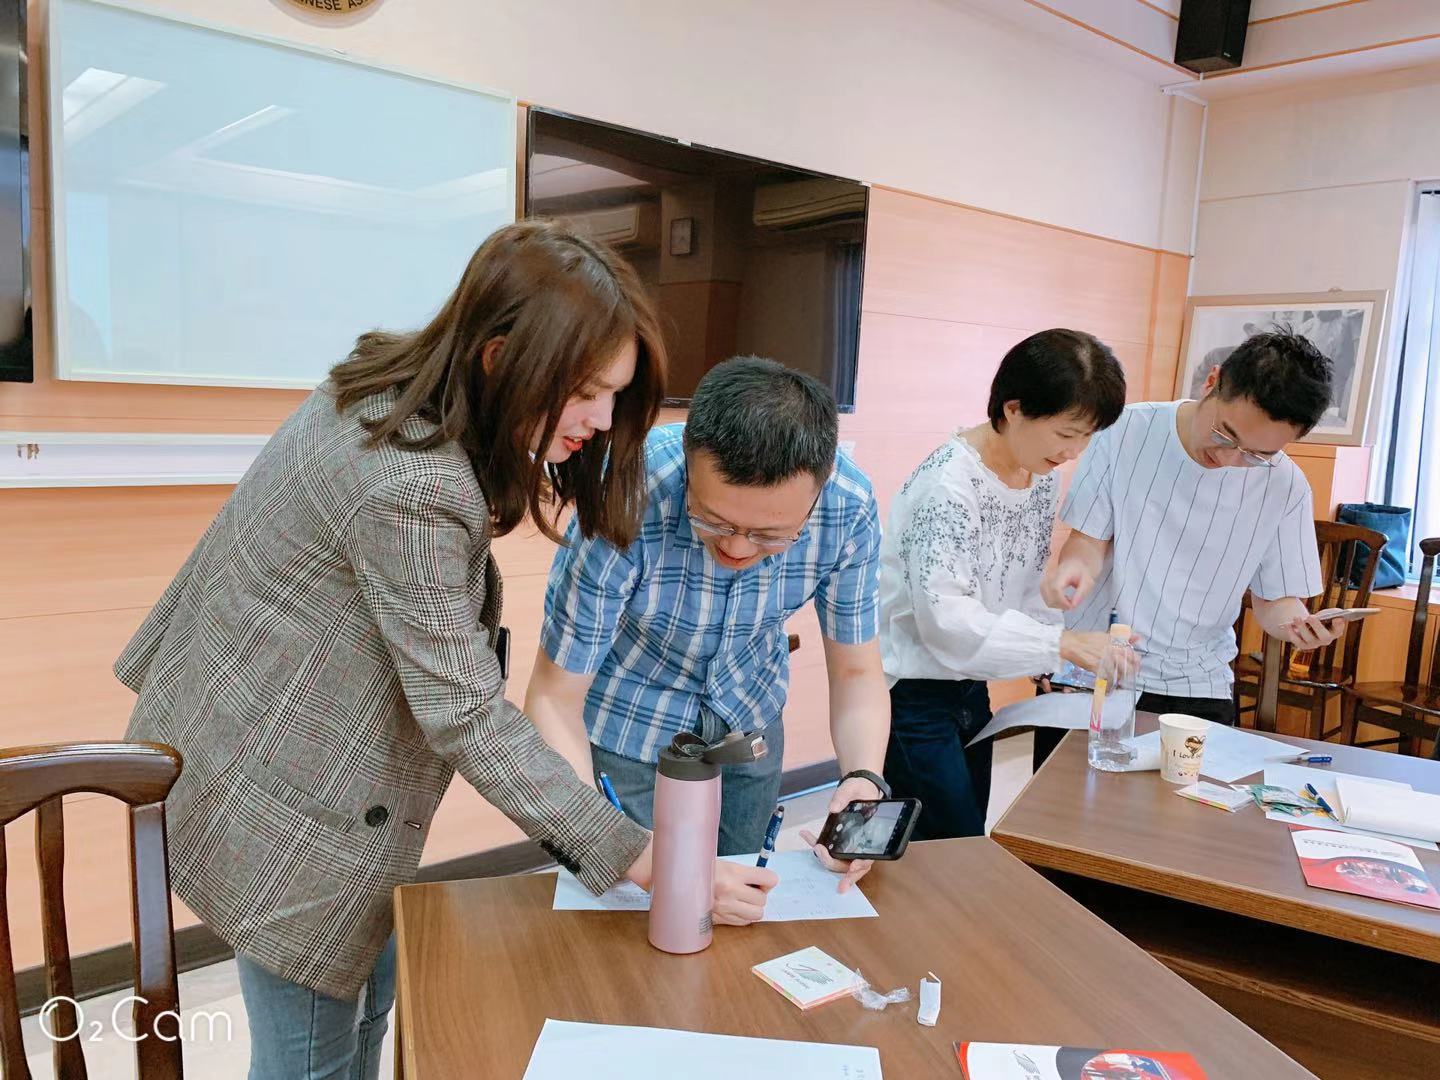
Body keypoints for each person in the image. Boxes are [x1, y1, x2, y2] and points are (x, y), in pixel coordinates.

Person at [114, 222, 776, 1080]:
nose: (603, 420)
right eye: (584, 391)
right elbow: (464, 713)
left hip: (255, 738)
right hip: (286, 800)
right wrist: (649, 860)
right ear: (500, 359)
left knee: (368, 1007)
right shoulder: (413, 482)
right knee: (312, 1059)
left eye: (614, 394)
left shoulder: (381, 391)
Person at [526, 356, 891, 888]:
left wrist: (863, 778)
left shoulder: (848, 509)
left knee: (741, 888)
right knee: (628, 905)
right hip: (628, 720)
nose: (738, 549)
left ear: (817, 492)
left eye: (770, 536)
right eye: (712, 521)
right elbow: (553, 697)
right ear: (690, 463)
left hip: (749, 713)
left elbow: (857, 672)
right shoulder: (627, 491)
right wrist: (613, 848)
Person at [879, 329, 1128, 840]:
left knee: (965, 839)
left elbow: (1023, 583)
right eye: (1066, 433)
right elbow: (946, 621)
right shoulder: (947, 487)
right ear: (1013, 409)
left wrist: (1049, 655)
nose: (1074, 451)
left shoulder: (1037, 475)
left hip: (972, 685)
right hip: (914, 694)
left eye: (1087, 436)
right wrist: (1061, 644)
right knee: (947, 846)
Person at [1042, 330, 1347, 727]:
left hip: (1196, 684)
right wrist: (1073, 572)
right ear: (1211, 382)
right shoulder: (1124, 430)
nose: (1229, 458)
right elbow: (1086, 543)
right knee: (1065, 771)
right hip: (1095, 664)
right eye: (1225, 434)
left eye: (1257, 455)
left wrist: (1298, 627)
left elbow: (1276, 601)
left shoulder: (1285, 485)